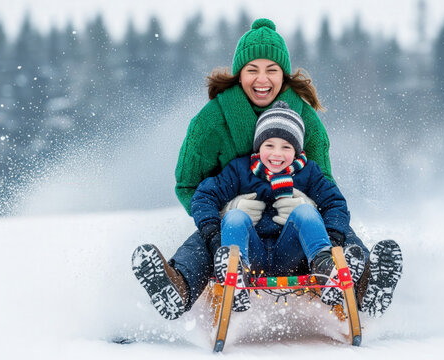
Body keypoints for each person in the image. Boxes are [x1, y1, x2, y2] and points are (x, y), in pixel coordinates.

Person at [131, 18, 402, 320]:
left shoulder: (307, 121)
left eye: (271, 70)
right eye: (252, 70)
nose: (262, 79)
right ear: (239, 74)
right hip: (238, 233)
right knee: (207, 241)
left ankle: (364, 285)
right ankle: (177, 287)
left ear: (283, 75)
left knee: (336, 231)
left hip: (296, 238)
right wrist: (224, 212)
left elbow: (328, 190)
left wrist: (308, 207)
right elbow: (190, 188)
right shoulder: (211, 124)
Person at [192, 102, 366, 311]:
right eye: (269, 145)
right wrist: (215, 230)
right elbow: (203, 196)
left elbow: (335, 204)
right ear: (258, 146)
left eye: (286, 147)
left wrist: (333, 237)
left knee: (306, 211)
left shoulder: (309, 173)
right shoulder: (240, 170)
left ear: (297, 150)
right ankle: (234, 272)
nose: (277, 154)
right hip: (250, 253)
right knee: (235, 217)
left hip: (293, 254)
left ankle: (325, 268)